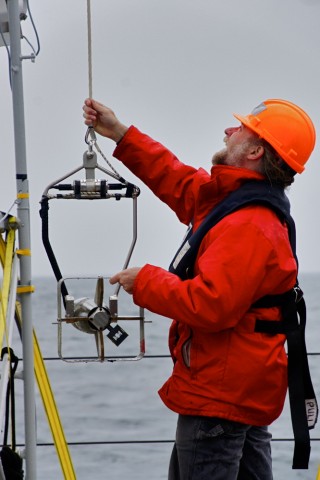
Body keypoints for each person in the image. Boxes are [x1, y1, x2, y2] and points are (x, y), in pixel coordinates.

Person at [83, 98, 316, 479]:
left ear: (255, 151)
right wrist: (121, 134)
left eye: (241, 129)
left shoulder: (250, 224)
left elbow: (211, 306)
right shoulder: (237, 202)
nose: (229, 130)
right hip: (238, 391)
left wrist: (145, 281)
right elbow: (180, 181)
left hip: (219, 398)